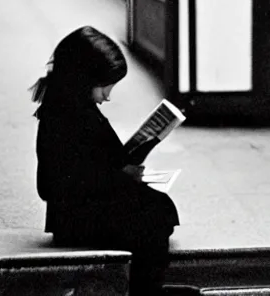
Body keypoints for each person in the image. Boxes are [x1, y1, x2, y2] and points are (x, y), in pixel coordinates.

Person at [31, 25, 179, 296]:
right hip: (76, 217)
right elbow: (54, 184)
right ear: (82, 78)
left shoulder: (70, 107)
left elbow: (92, 159)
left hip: (79, 209)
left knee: (157, 209)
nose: (107, 96)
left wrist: (121, 164)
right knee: (155, 217)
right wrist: (122, 175)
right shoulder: (68, 116)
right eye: (103, 87)